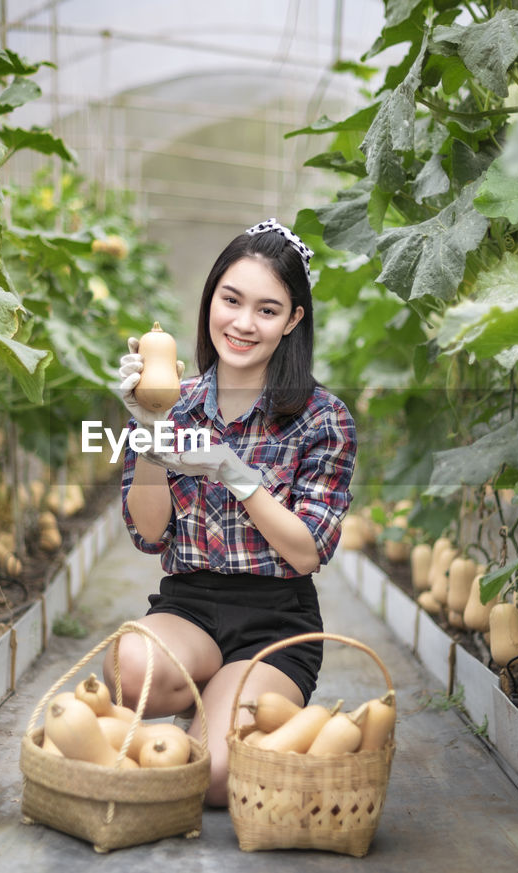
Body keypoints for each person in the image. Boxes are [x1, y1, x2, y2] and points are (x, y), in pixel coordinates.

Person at [104, 218, 357, 806]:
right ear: (211, 297)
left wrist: (236, 472)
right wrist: (147, 431)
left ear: (294, 320)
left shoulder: (323, 418)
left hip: (276, 622)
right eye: (231, 300)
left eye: (267, 310)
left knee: (214, 781)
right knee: (129, 671)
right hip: (189, 605)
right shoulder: (172, 399)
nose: (243, 323)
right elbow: (148, 532)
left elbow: (306, 550)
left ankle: (230, 702)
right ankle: (213, 699)